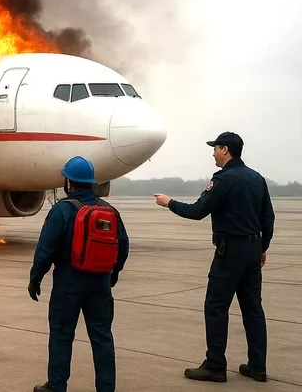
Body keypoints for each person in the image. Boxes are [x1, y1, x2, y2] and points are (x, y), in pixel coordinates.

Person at [153, 131, 275, 383]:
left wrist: (169, 203)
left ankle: (215, 365)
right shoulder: (257, 178)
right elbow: (268, 218)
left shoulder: (223, 179)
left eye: (216, 148)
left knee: (216, 307)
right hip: (252, 250)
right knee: (253, 309)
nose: (213, 153)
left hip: (230, 252)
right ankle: (258, 366)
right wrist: (261, 247)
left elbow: (198, 210)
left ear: (226, 150)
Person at [29, 156, 129, 392]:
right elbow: (123, 245)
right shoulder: (109, 210)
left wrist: (36, 278)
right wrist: (114, 272)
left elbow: (45, 249)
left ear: (69, 182)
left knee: (62, 335)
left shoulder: (61, 211)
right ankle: (106, 388)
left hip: (68, 283)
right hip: (100, 283)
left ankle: (57, 385)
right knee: (102, 336)